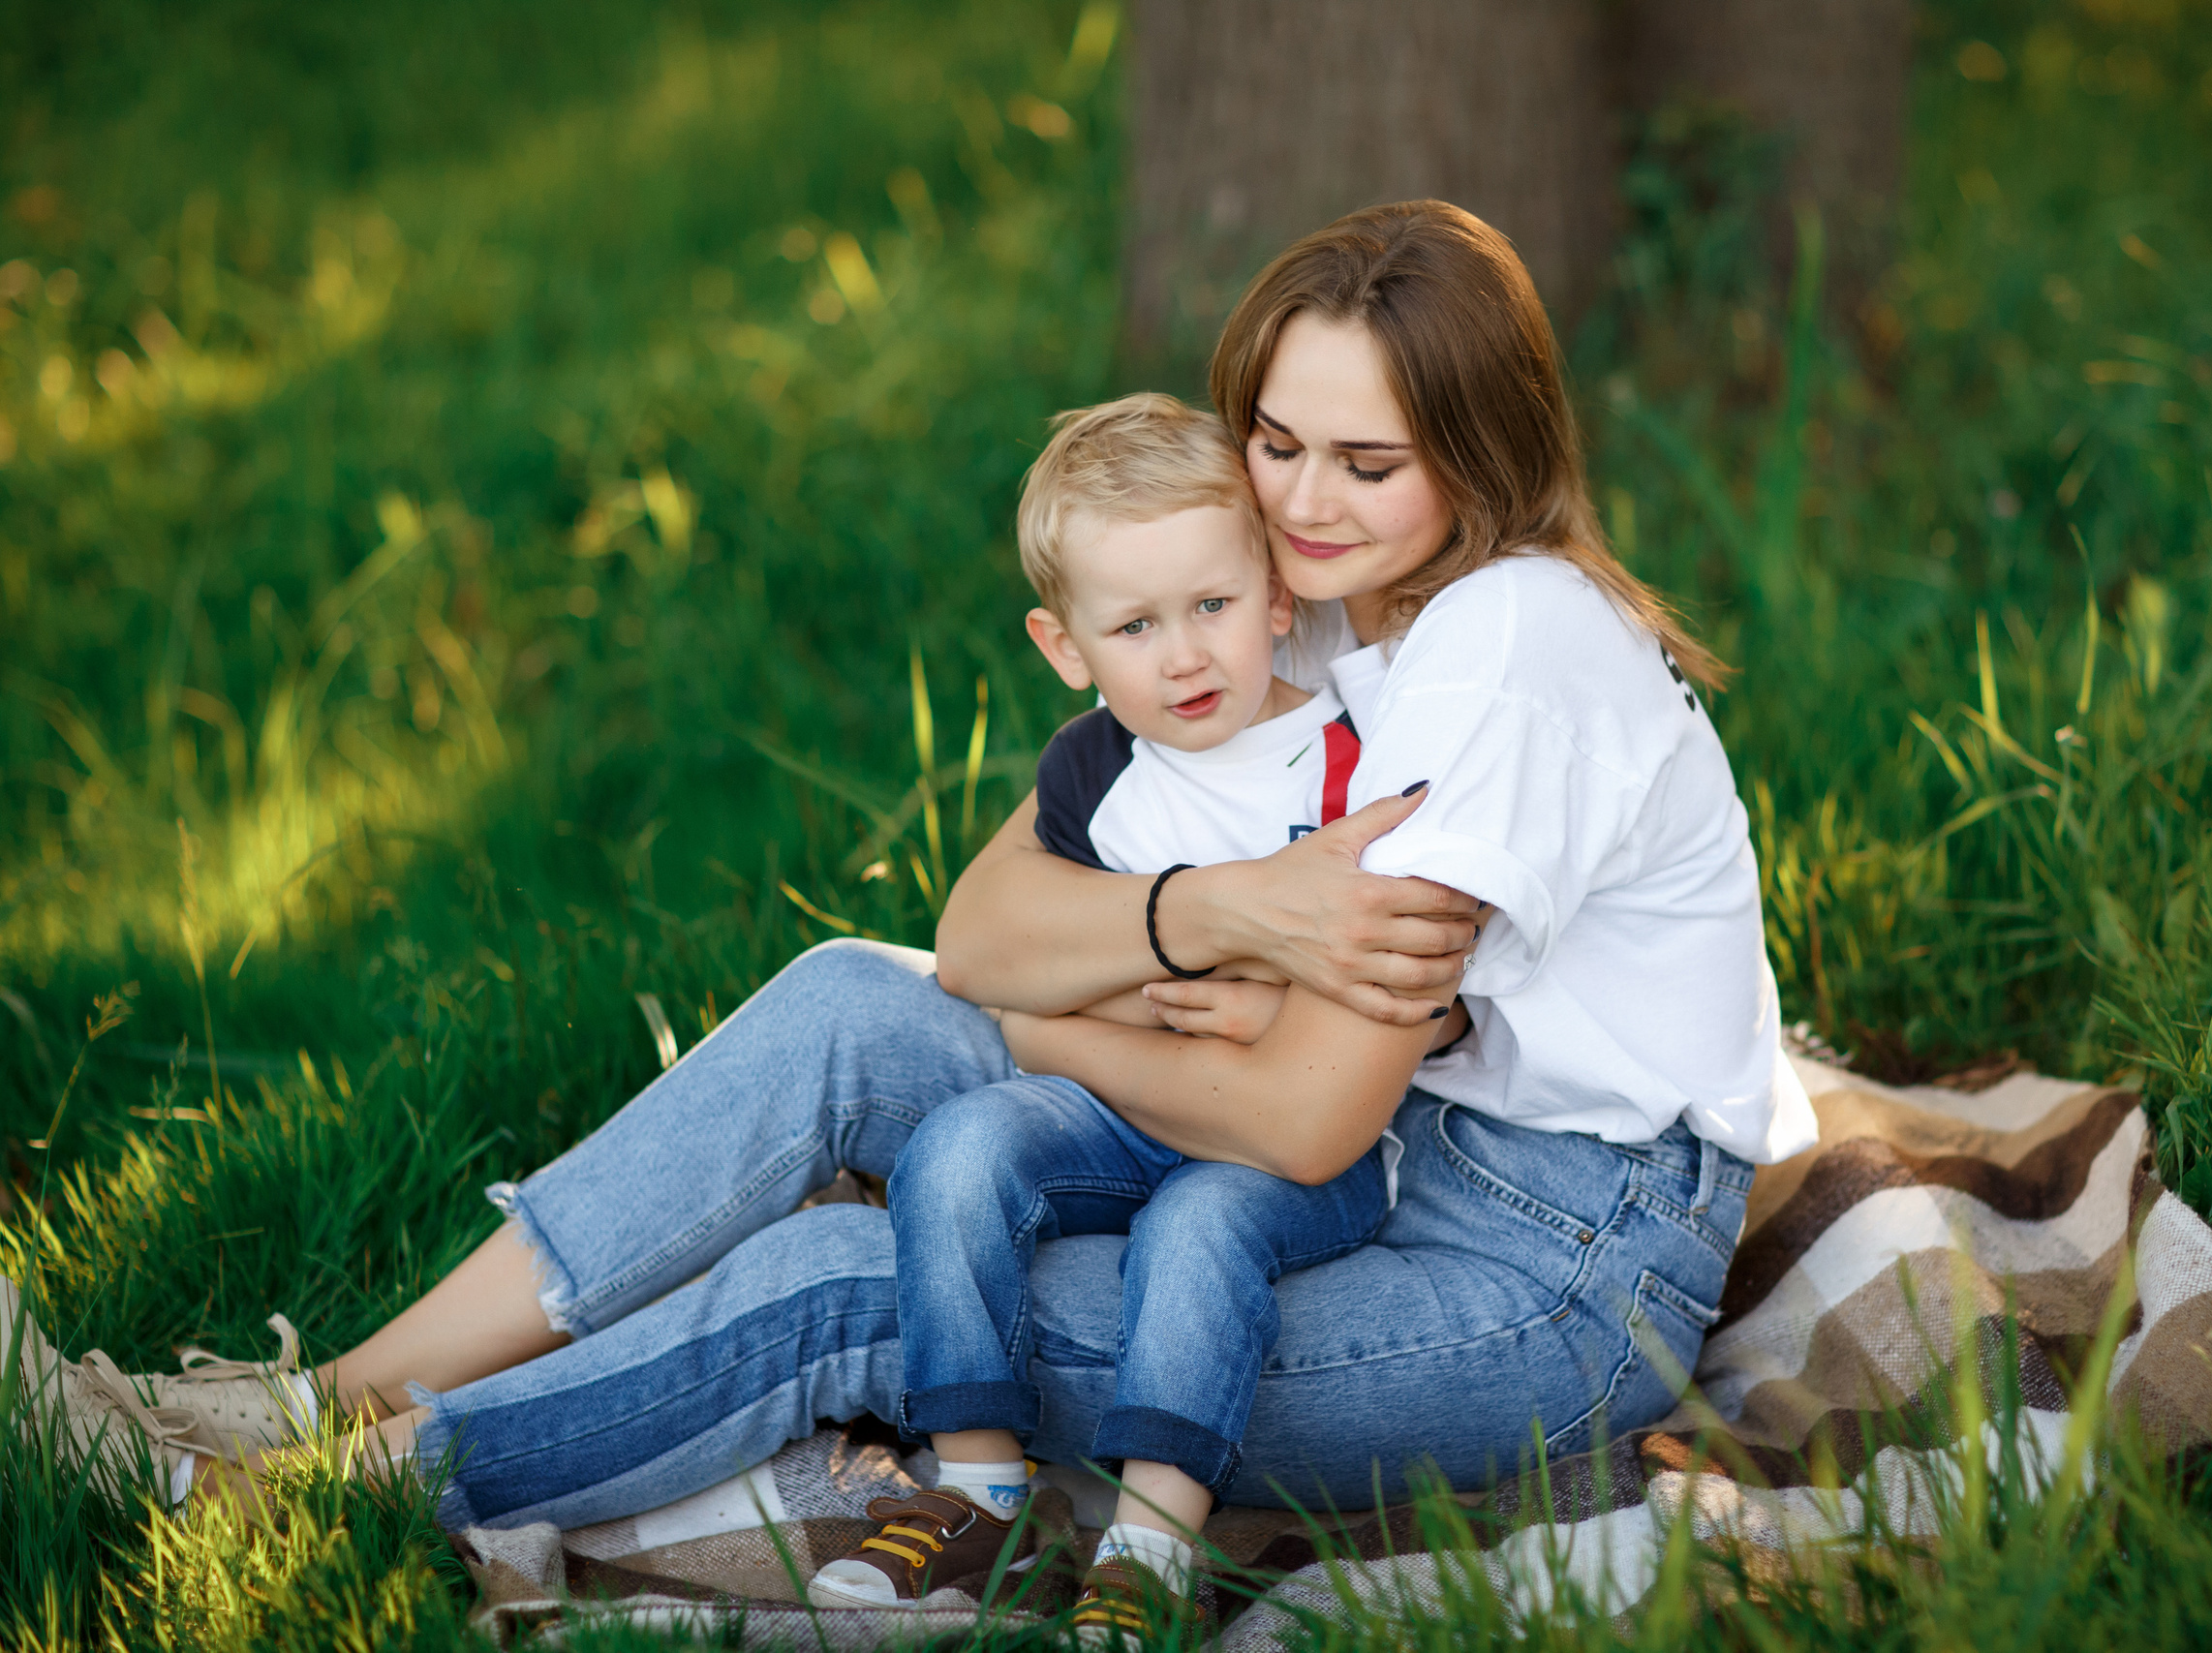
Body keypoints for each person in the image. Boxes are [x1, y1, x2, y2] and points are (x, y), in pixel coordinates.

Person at [10, 199, 1815, 1641]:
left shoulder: (1505, 649)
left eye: (1369, 459)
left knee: (860, 1278)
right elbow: (981, 923)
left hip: (1540, 1282)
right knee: (848, 1000)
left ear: (1479, 456)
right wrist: (1208, 908)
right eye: (1275, 440)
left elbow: (1299, 1115)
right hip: (1395, 1147)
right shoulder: (1315, 604)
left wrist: (1067, 1020)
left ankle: (307, 1503)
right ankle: (315, 1397)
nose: (1301, 500)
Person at [805, 391, 1462, 1625]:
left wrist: (1270, 1002)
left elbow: (1427, 991)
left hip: (1303, 1145)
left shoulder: (1355, 760)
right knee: (960, 1147)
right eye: (1135, 625)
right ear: (1066, 647)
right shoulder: (1089, 774)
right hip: (1124, 1108)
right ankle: (982, 1490)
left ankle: (1152, 1552)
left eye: (1213, 606)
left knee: (1202, 1226)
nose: (1182, 655)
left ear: (1280, 597)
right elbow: (1004, 957)